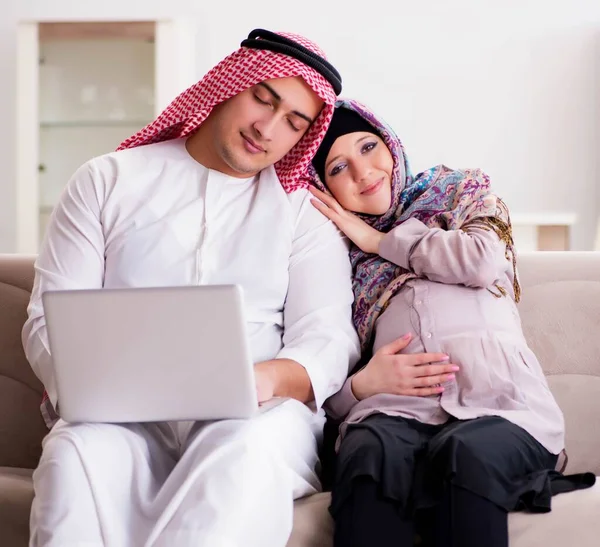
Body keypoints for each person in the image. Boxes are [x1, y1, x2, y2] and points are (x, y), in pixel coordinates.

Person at [22, 29, 361, 547]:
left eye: (294, 122)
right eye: (262, 98)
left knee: (242, 452)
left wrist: (262, 380)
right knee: (72, 457)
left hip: (255, 417)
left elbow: (329, 340)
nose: (267, 128)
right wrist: (90, 388)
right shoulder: (106, 181)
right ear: (227, 86)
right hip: (120, 417)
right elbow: (47, 321)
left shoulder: (302, 216)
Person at [309, 100, 595, 547]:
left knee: (465, 452)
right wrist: (362, 386)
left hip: (503, 409)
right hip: (392, 412)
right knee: (368, 451)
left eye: (368, 147)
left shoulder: (461, 194)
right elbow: (323, 366)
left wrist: (380, 240)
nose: (363, 172)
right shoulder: (333, 257)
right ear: (324, 187)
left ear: (391, 143)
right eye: (338, 167)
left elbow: (481, 262)